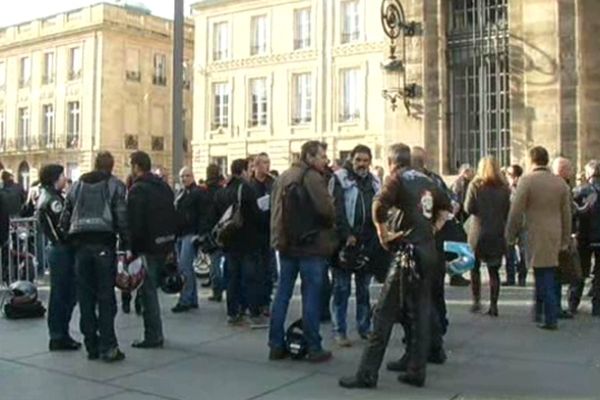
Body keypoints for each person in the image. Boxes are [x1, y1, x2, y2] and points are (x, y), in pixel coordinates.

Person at [339, 143, 451, 389]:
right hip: (428, 252)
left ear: (391, 162)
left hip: (407, 253)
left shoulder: (397, 179)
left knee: (383, 313)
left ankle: (367, 374)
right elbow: (447, 207)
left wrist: (383, 233)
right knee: (420, 312)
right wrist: (432, 228)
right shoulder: (427, 180)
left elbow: (378, 205)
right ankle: (416, 369)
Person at [269, 140, 336, 363]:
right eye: (321, 156)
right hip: (311, 247)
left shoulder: (284, 176)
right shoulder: (313, 178)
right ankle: (313, 346)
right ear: (309, 156)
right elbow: (327, 210)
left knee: (282, 295)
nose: (325, 160)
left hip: (287, 246)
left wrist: (278, 241)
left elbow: (276, 212)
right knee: (311, 297)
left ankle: (276, 344)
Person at [60, 151, 129, 362]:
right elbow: (121, 216)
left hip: (81, 245)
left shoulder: (77, 185)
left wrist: (68, 239)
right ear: (111, 166)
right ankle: (109, 346)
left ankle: (91, 344)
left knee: (86, 297)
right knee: (106, 297)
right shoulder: (115, 185)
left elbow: (65, 216)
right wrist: (126, 243)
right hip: (103, 244)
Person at [506, 146, 571, 330]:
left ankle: (549, 316)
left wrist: (510, 234)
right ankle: (539, 311)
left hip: (534, 233)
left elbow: (516, 211)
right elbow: (567, 214)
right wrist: (566, 238)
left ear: (531, 160)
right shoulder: (559, 183)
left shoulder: (527, 181)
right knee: (546, 272)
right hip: (555, 232)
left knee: (544, 275)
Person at [330, 145, 381, 346]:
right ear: (351, 159)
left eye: (365, 160)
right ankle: (339, 330)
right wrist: (346, 234)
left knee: (364, 289)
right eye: (358, 160)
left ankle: (364, 327)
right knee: (341, 288)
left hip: (367, 240)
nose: (362, 164)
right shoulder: (340, 178)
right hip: (345, 242)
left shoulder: (375, 181)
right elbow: (336, 209)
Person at [127, 151, 177, 348]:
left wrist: (133, 248)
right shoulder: (164, 187)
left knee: (148, 292)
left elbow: (135, 222)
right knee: (153, 289)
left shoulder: (137, 190)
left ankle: (153, 335)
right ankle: (155, 333)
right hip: (165, 243)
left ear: (137, 166)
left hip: (147, 246)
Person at [36, 164, 80, 351]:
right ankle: (59, 335)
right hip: (62, 250)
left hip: (57, 249)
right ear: (55, 178)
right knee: (64, 294)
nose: (65, 178)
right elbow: (64, 228)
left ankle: (60, 333)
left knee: (63, 293)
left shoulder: (48, 196)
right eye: (62, 175)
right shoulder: (54, 201)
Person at [214, 159, 264, 326]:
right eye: (249, 168)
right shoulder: (246, 188)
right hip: (248, 240)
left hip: (229, 241)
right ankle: (252, 312)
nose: (251, 172)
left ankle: (233, 312)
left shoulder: (224, 189)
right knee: (250, 278)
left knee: (232, 277)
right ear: (243, 170)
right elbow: (255, 215)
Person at [464, 156, 510, 317]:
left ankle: (476, 300)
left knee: (474, 267)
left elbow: (468, 208)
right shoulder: (504, 187)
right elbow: (507, 210)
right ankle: (494, 305)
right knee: (494, 270)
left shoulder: (475, 185)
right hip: (497, 230)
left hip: (478, 229)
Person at [173, 167, 210, 312]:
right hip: (181, 234)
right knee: (186, 268)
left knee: (184, 268)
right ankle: (192, 298)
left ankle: (185, 300)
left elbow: (204, 214)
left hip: (191, 233)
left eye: (187, 176)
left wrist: (200, 234)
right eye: (182, 177)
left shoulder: (198, 193)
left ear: (193, 176)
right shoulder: (181, 193)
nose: (184, 179)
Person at [569, 160, 600, 317]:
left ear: (587, 174)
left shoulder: (580, 191)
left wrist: (572, 231)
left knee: (579, 272)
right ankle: (597, 306)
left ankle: (573, 303)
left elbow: (573, 214)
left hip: (584, 236)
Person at [250, 153, 276, 313]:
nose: (266, 166)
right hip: (254, 232)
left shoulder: (272, 183)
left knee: (268, 269)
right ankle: (255, 302)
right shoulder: (250, 185)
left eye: (268, 163)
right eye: (263, 163)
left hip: (269, 230)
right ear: (256, 166)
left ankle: (266, 301)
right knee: (255, 270)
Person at [203, 164, 226, 302]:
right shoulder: (223, 191)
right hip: (224, 229)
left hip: (211, 230)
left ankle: (217, 290)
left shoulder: (204, 192)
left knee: (214, 262)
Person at [503, 164, 527, 287]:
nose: (510, 177)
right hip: (509, 223)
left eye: (511, 175)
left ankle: (522, 277)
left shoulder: (524, 188)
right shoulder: (505, 189)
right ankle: (510, 277)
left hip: (524, 223)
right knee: (509, 251)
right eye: (509, 175)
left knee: (523, 251)